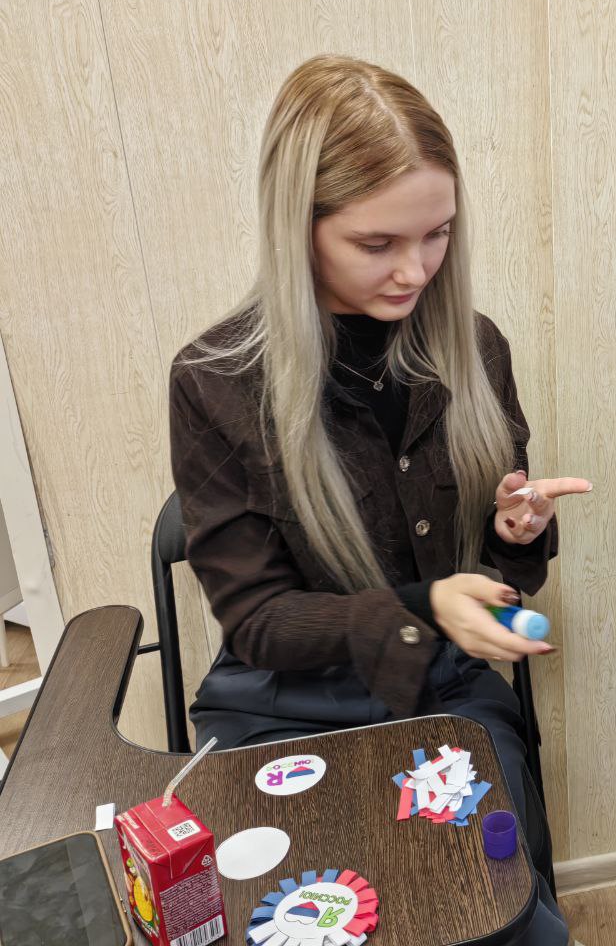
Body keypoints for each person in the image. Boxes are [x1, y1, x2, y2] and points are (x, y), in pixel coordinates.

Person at [170, 55, 587, 944]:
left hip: (445, 690)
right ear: (299, 228)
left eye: (437, 235)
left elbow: (504, 590)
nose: (415, 270)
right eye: (377, 244)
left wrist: (515, 538)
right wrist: (422, 604)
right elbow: (258, 621)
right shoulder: (215, 384)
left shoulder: (474, 350)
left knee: (494, 914)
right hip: (280, 706)